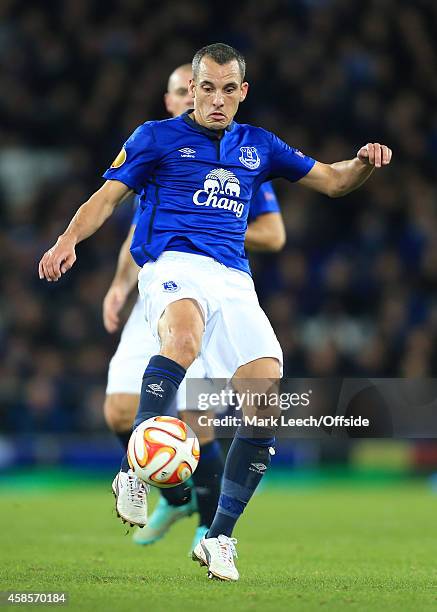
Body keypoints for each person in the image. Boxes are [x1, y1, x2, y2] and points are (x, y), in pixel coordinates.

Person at [38, 43, 392, 581]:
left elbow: (335, 180)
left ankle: (219, 536)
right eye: (208, 88)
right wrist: (68, 239)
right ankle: (136, 471)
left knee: (265, 393)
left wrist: (364, 163)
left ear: (242, 92)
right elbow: (105, 199)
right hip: (172, 263)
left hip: (233, 279)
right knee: (181, 340)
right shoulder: (155, 137)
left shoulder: (259, 146)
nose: (218, 99)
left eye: (230, 89)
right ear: (193, 89)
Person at [104, 66, 286, 551]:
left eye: (208, 89)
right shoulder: (158, 145)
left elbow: (274, 233)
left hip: (205, 284)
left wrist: (207, 228)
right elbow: (131, 229)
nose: (200, 99)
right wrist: (119, 287)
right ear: (171, 100)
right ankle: (174, 489)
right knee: (119, 410)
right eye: (188, 91)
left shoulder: (241, 155)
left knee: (198, 413)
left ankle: (209, 525)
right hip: (157, 282)